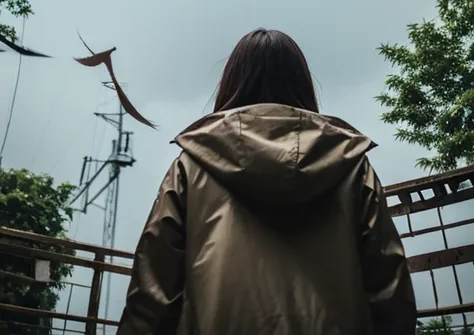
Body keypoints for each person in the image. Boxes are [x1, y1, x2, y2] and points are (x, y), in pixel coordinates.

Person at [116, 28, 417, 335]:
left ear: (231, 83)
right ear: (302, 83)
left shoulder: (191, 167)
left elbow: (153, 295)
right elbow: (390, 292)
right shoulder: (351, 166)